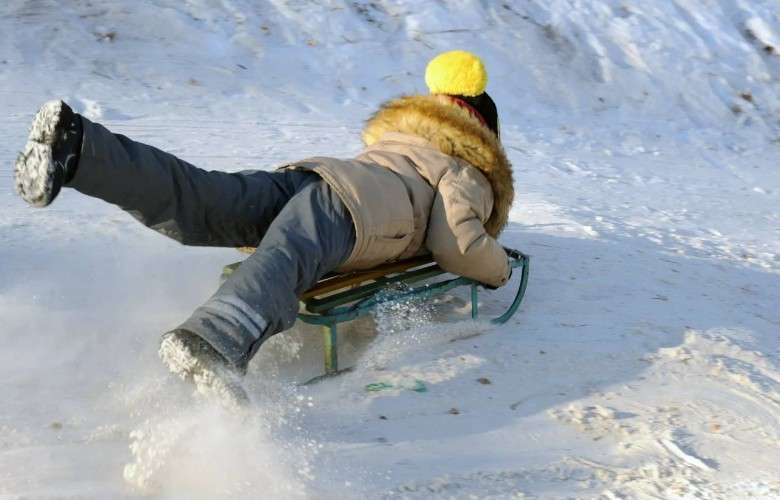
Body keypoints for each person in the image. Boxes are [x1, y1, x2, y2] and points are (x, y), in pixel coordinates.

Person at [13, 50, 513, 405]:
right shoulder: (467, 169)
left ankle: (81, 148)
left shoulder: (399, 138)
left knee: (205, 199)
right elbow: (458, 245)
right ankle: (218, 337)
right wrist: (499, 270)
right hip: (354, 212)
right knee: (293, 251)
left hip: (312, 178)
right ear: (482, 133)